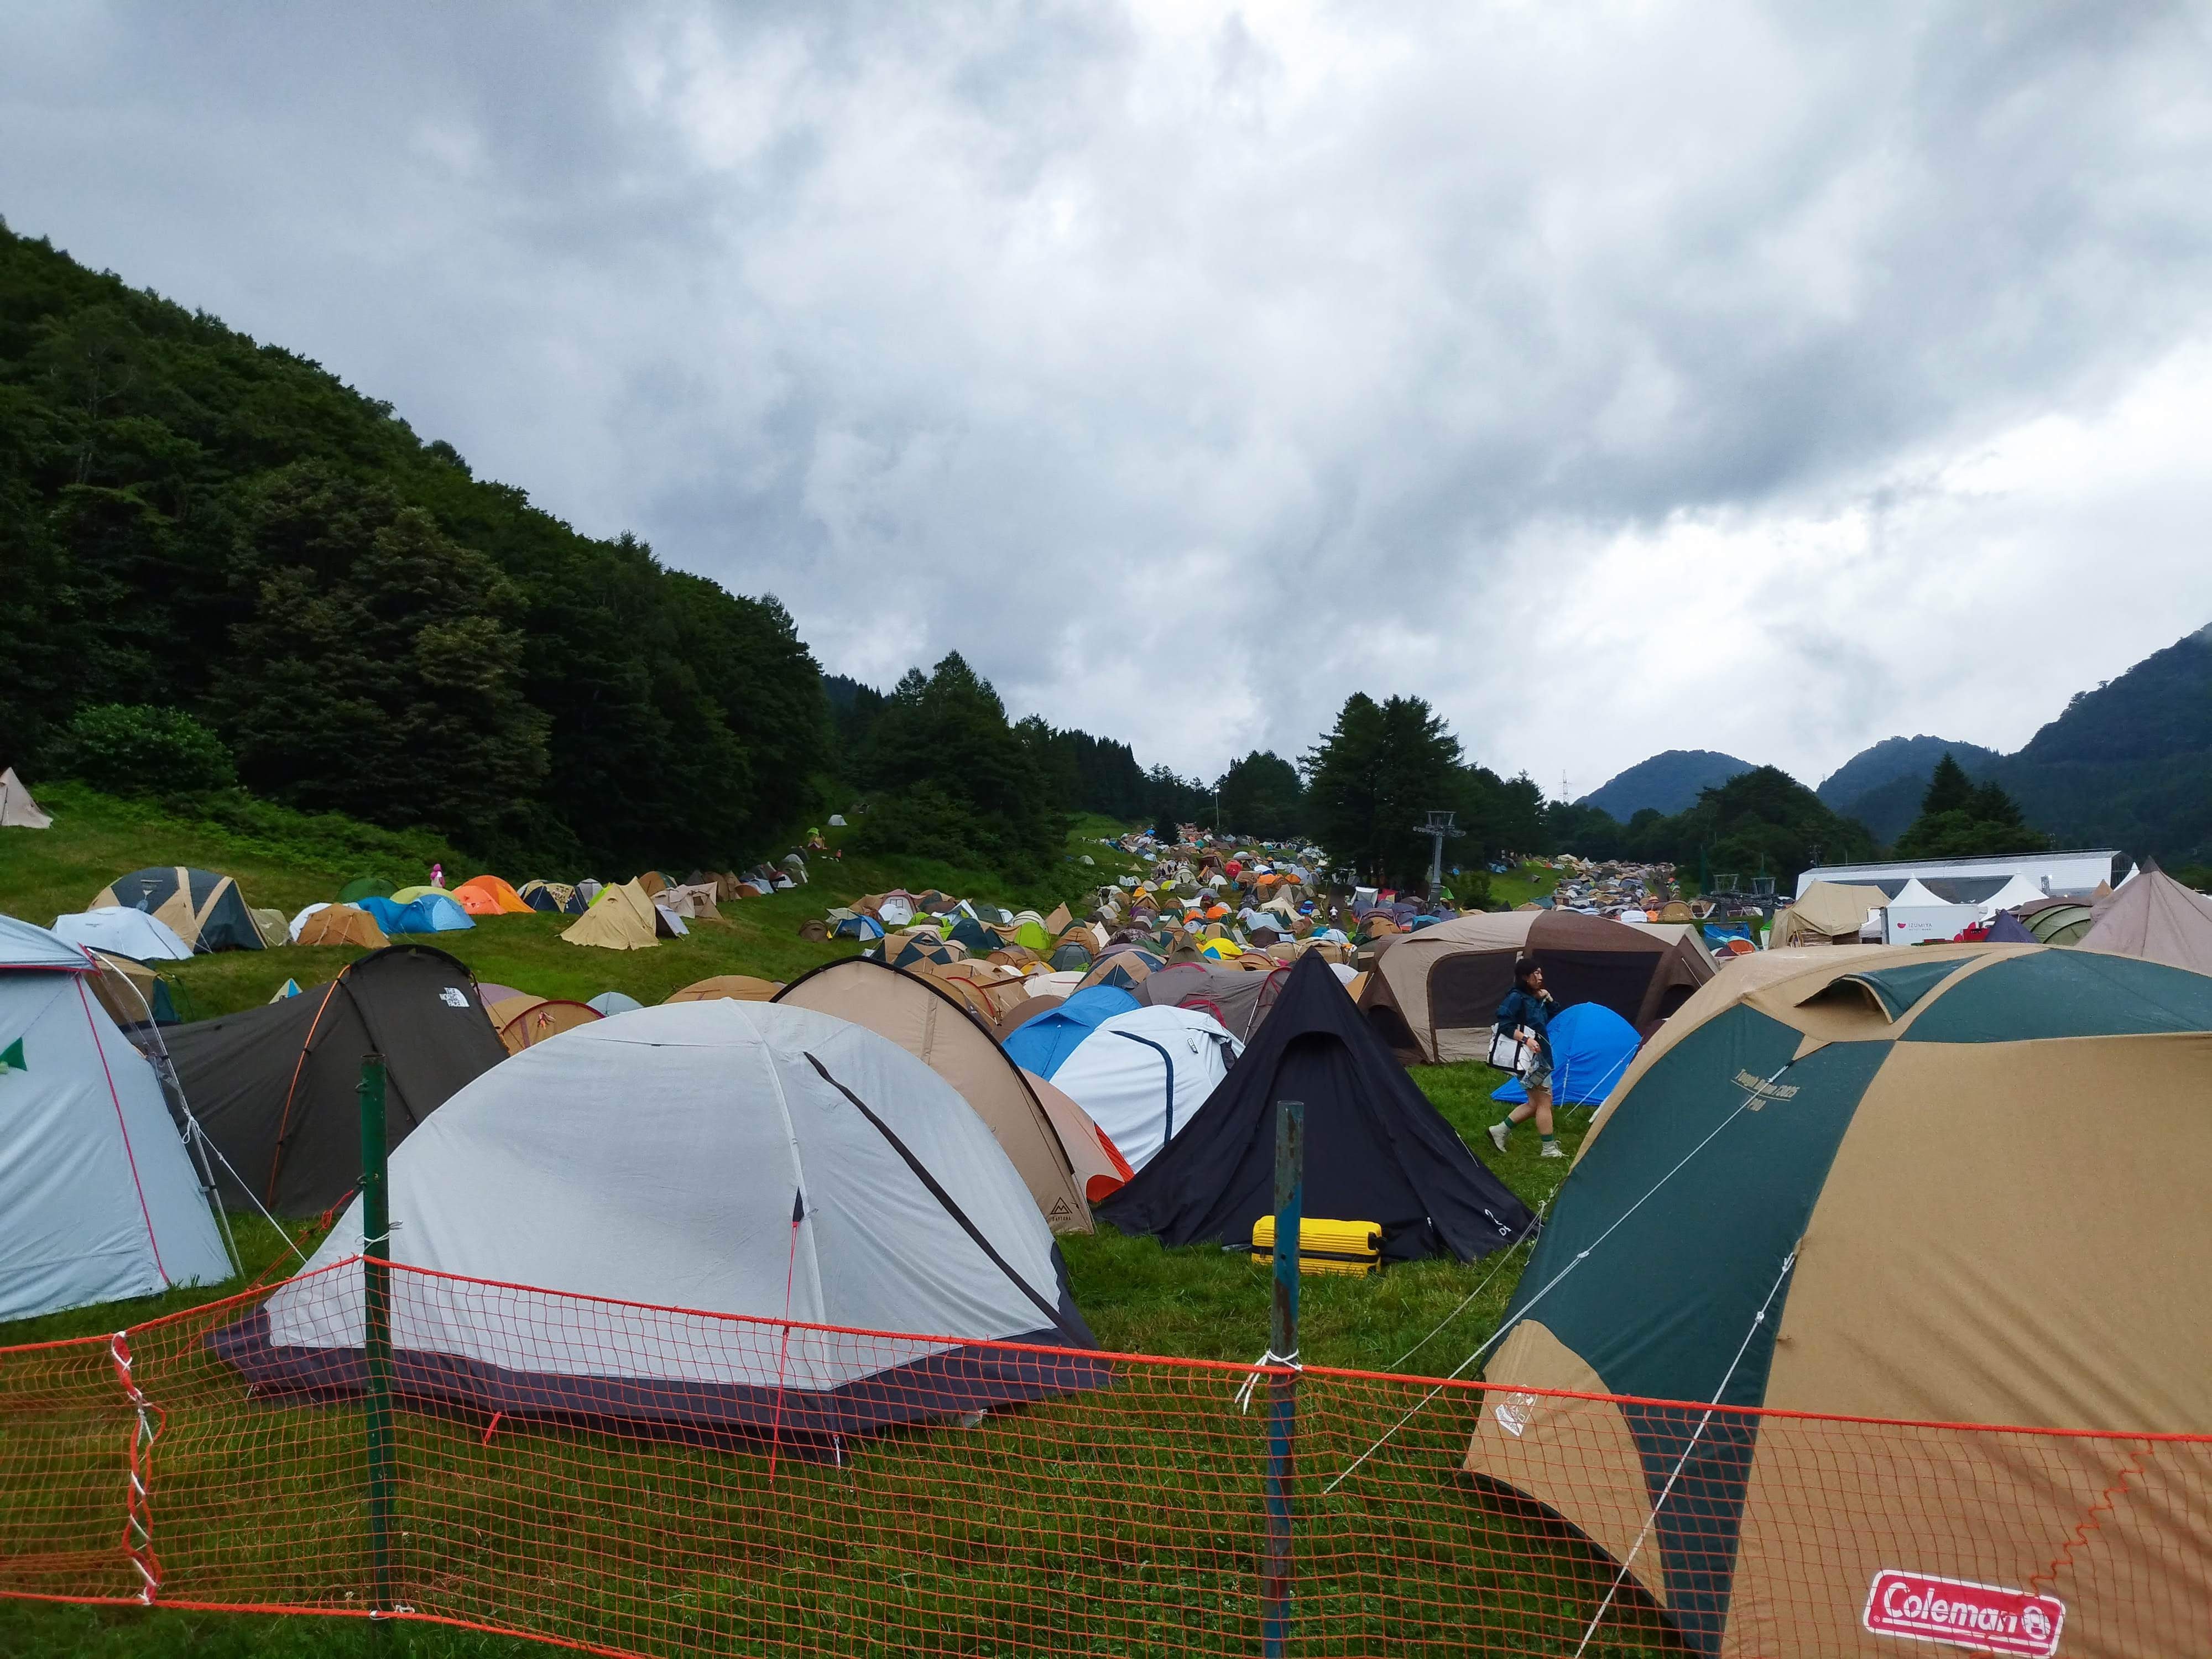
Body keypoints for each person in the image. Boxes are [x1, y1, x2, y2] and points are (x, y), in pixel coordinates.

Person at [1489, 957, 1563, 1159]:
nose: (1540, 978)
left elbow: (1555, 1012)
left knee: (1534, 1103)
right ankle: (1548, 1149)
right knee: (1545, 1102)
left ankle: (1500, 1130)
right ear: (1524, 977)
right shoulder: (1516, 998)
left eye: (1540, 973)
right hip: (1529, 1058)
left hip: (1541, 1055)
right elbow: (1504, 1024)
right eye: (1535, 974)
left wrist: (1547, 998)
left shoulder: (1535, 997)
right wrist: (1526, 1040)